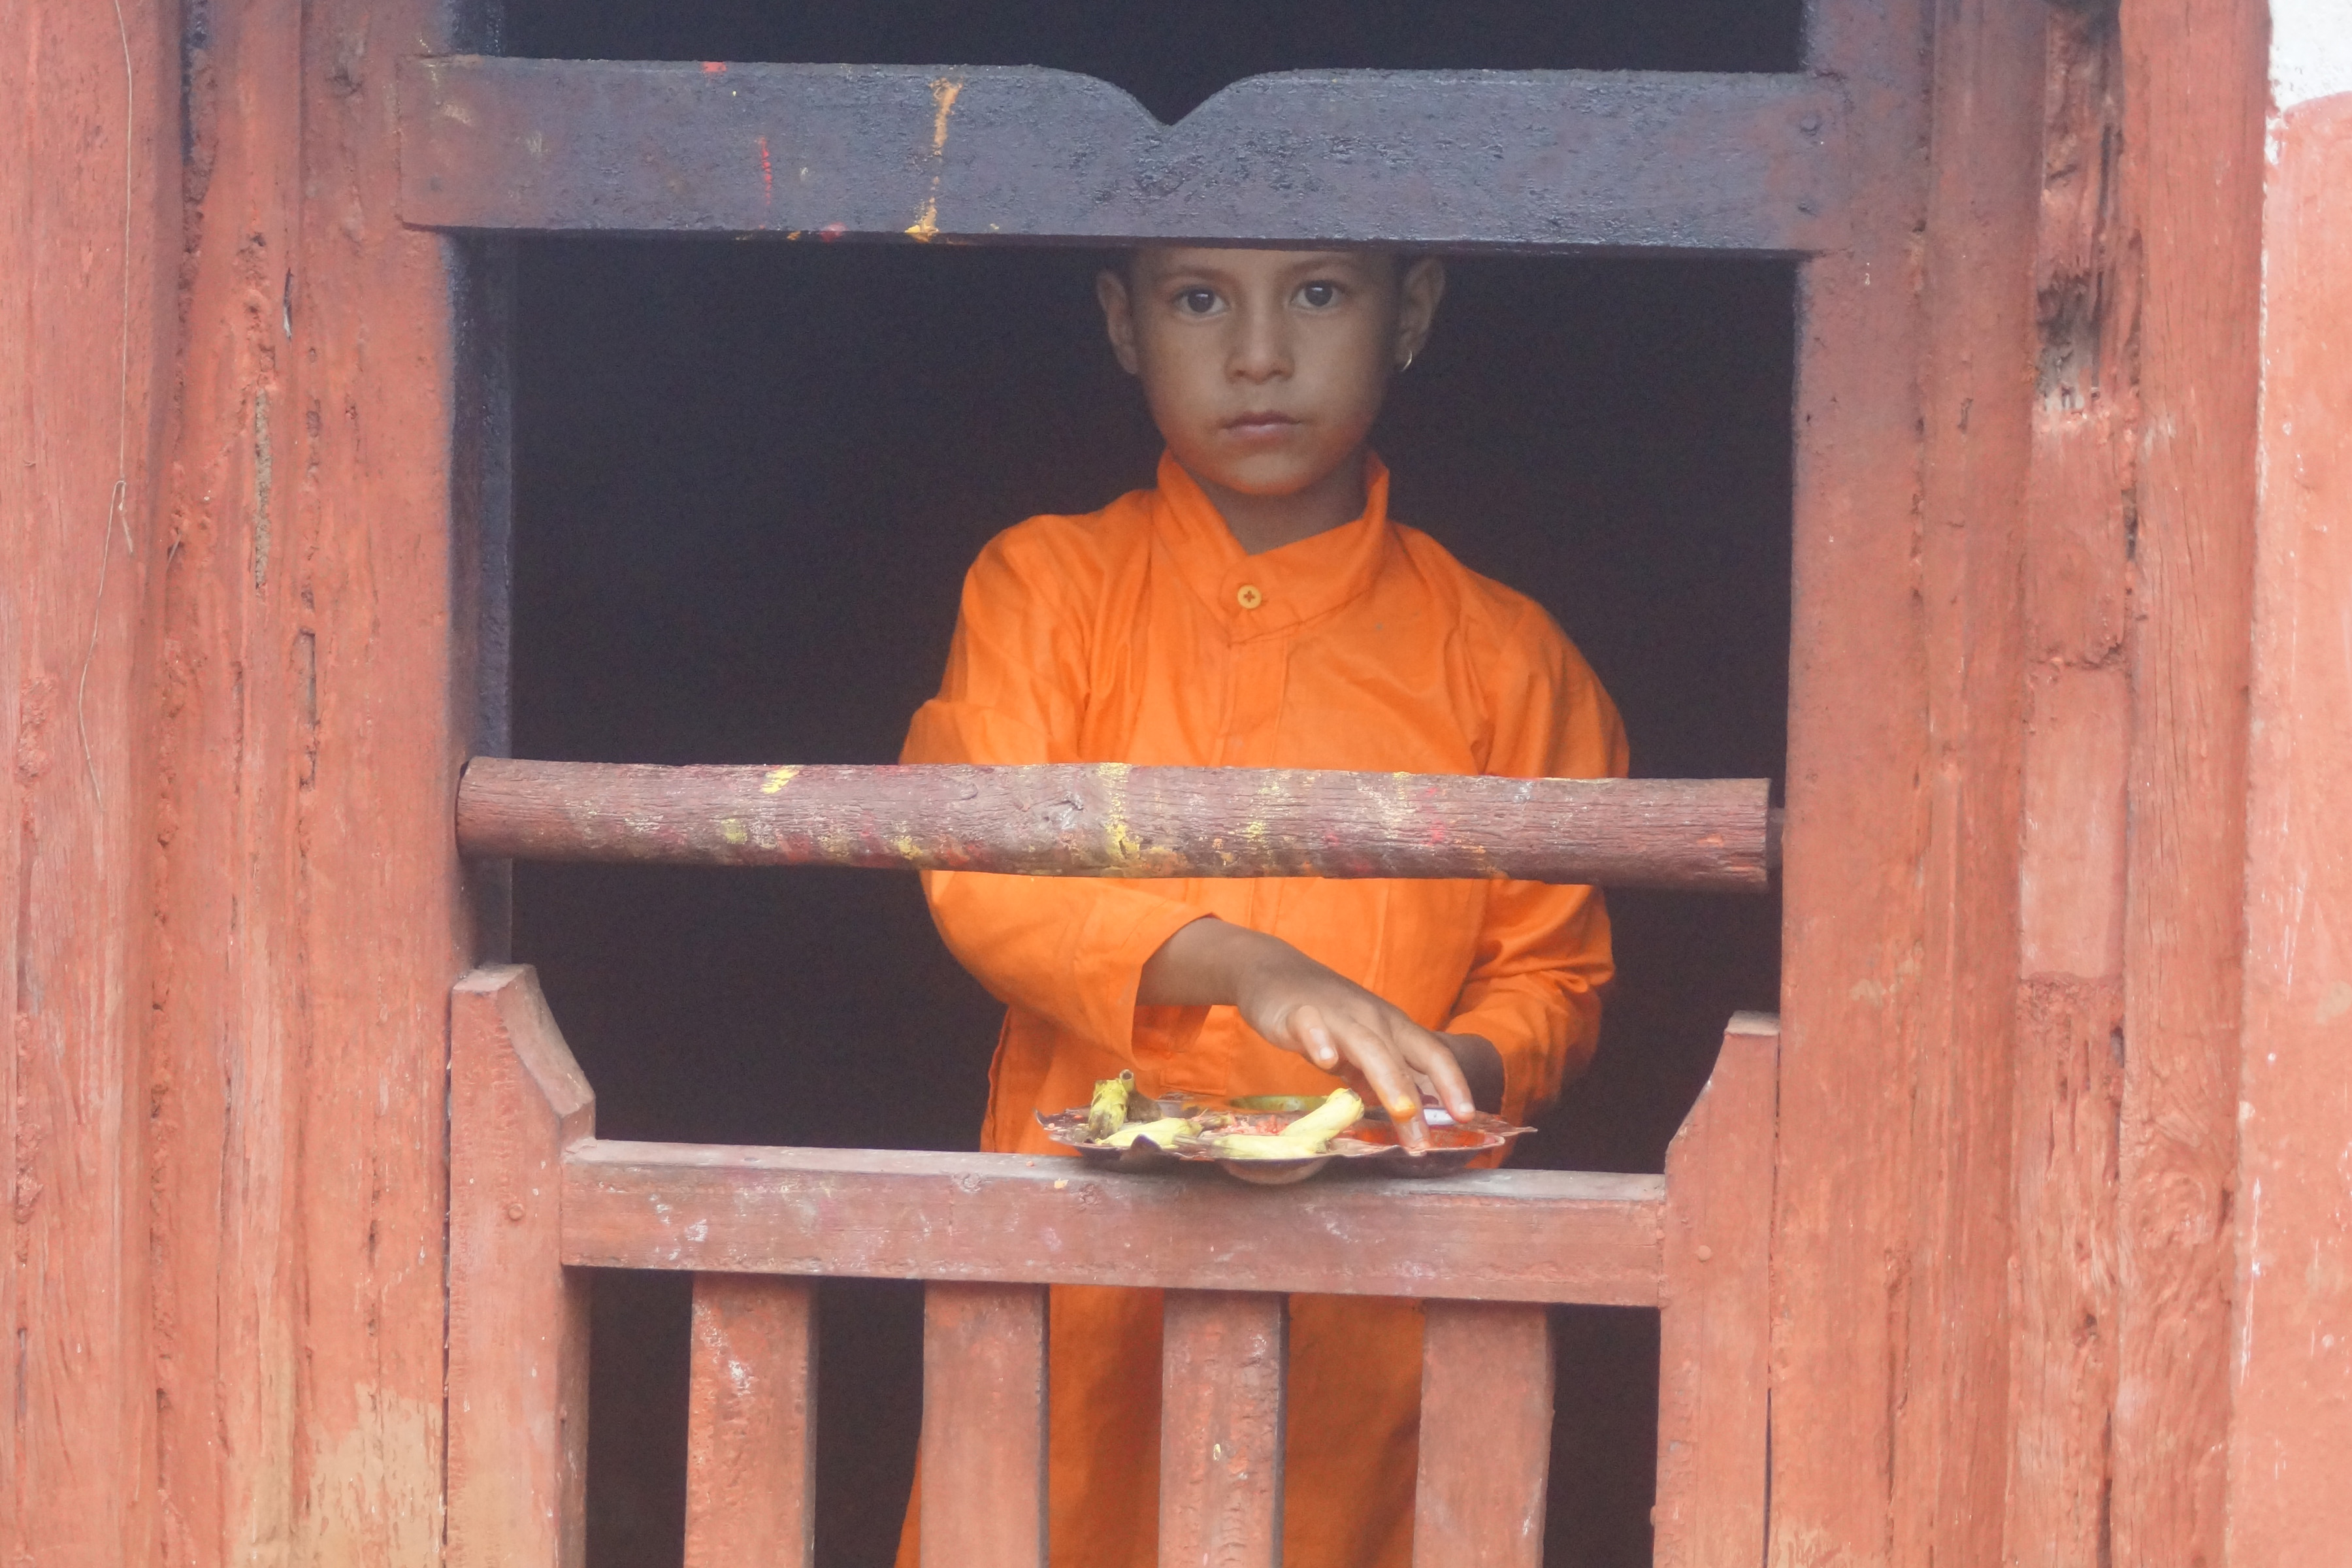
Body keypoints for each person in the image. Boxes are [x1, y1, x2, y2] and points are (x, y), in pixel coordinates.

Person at [895, 246, 1626, 1568]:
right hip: (1080, 1272)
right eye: (1197, 299)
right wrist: (1244, 967)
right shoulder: (1047, 589)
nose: (1258, 355)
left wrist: (1432, 1077)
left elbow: (1554, 979)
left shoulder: (1508, 659)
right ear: (1123, 321)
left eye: (1319, 294)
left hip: (1375, 1298)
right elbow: (980, 874)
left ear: (1412, 311)